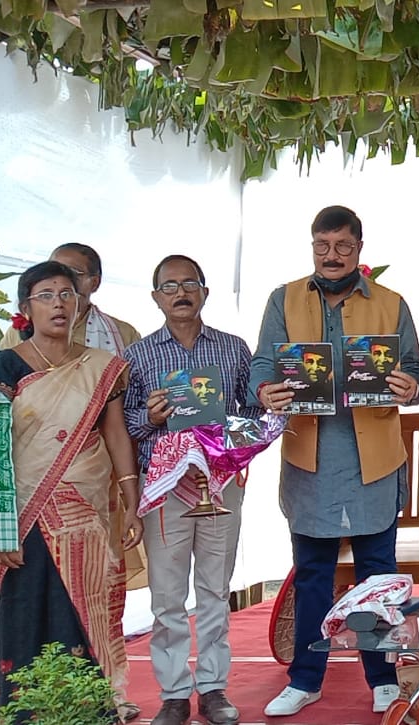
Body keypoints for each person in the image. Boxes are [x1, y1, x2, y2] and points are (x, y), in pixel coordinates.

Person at [250, 206, 419, 717]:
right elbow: (264, 361)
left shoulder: (391, 303)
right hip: (311, 457)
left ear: (359, 249)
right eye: (322, 246)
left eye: (342, 247)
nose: (332, 256)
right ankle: (305, 679)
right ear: (312, 247)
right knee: (311, 574)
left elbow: (416, 369)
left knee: (378, 575)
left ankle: (383, 677)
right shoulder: (282, 299)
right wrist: (266, 389)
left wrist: (411, 386)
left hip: (374, 460)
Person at [0, 262, 143, 715]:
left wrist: (132, 501)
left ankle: (90, 710)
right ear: (25, 307)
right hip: (24, 514)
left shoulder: (100, 368)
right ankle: (27, 713)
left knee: (86, 607)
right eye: (46, 294)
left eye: (67, 294)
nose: (58, 303)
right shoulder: (2, 366)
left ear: (81, 303)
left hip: (86, 513)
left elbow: (115, 435)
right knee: (25, 610)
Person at [122, 256, 262, 725]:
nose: (180, 293)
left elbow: (256, 416)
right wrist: (153, 418)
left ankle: (214, 689)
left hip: (220, 485)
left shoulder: (234, 349)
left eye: (189, 284)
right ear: (156, 296)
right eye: (169, 286)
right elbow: (124, 426)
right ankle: (174, 693)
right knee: (166, 595)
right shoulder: (138, 356)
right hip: (165, 488)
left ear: (204, 291)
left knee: (214, 591)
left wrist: (228, 447)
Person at [0, 243, 141, 353]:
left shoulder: (124, 334)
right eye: (52, 270)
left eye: (72, 272)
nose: (61, 278)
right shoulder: (20, 331)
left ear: (95, 283)